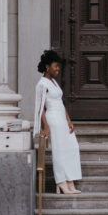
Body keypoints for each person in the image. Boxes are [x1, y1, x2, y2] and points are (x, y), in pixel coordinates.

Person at [34, 49, 82, 195]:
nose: (58, 69)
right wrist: (45, 126)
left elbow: (60, 102)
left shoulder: (53, 82)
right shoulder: (42, 84)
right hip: (53, 119)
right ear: (47, 66)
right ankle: (61, 182)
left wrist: (68, 120)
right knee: (60, 150)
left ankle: (70, 180)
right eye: (56, 66)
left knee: (72, 147)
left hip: (61, 117)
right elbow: (40, 107)